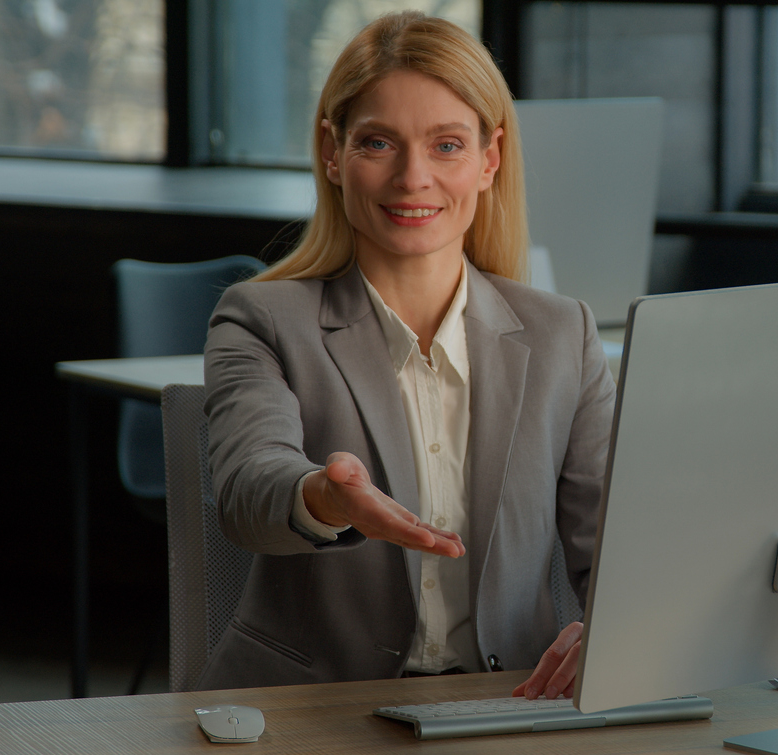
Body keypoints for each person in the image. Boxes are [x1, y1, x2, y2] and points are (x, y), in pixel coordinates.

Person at [200, 11, 614, 702]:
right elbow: (247, 491)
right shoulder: (259, 317)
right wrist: (325, 499)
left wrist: (608, 626)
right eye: (378, 143)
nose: (412, 176)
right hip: (308, 710)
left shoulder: (560, 334)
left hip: (509, 704)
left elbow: (614, 545)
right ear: (332, 153)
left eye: (447, 144)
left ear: (490, 159)